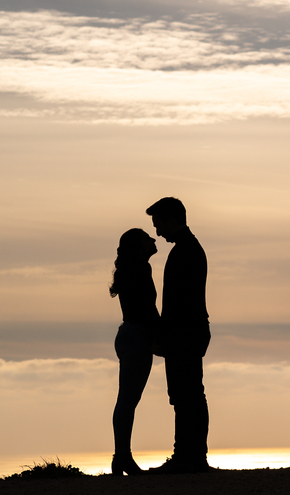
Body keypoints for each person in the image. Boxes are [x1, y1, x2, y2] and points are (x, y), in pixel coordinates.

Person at [146, 197, 211, 474]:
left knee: (186, 395)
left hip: (184, 332)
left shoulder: (185, 251)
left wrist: (163, 335)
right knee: (189, 394)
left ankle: (188, 457)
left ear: (173, 220)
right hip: (190, 330)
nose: (158, 233)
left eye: (159, 225)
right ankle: (191, 456)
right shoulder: (189, 249)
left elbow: (176, 302)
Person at [110, 227, 160, 476]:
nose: (153, 239)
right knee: (128, 400)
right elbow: (147, 308)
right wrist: (160, 335)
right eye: (146, 238)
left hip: (128, 334)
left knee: (126, 400)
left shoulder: (132, 269)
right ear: (138, 247)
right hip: (138, 336)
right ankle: (122, 458)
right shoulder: (140, 269)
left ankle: (121, 457)